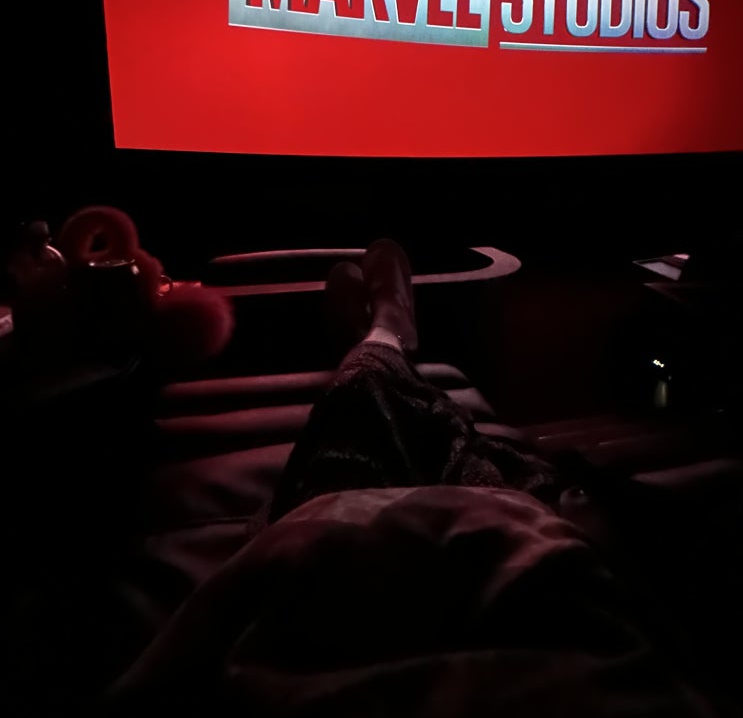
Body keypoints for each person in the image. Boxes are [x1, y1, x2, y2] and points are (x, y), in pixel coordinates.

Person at [105, 240, 719, 718]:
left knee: (363, 427)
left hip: (337, 593)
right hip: (563, 599)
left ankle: (382, 338)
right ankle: (385, 338)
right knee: (469, 458)